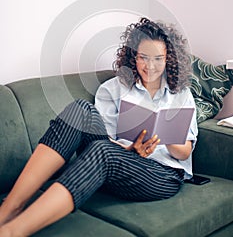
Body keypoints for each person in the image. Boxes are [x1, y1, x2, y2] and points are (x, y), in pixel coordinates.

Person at [0, 17, 198, 236]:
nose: (150, 66)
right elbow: (106, 140)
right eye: (143, 57)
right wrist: (131, 149)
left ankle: (13, 232)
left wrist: (166, 136)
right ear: (134, 56)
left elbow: (185, 152)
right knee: (80, 109)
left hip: (162, 174)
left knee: (103, 152)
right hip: (117, 161)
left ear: (168, 58)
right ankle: (9, 208)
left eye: (158, 59)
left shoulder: (180, 94)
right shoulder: (113, 89)